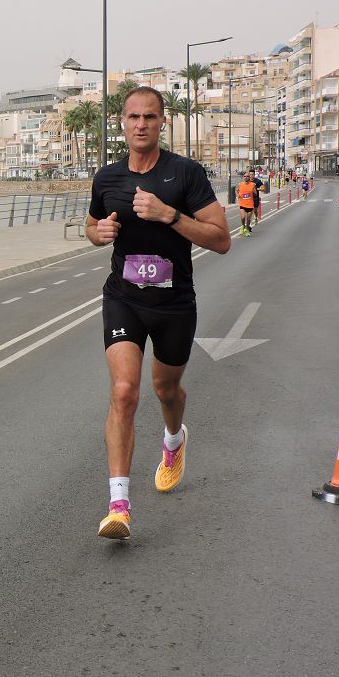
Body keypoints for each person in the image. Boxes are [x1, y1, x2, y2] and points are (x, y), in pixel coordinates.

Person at [86, 86, 231, 540]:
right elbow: (90, 226)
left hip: (174, 305)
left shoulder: (185, 173)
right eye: (133, 117)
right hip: (123, 298)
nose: (141, 124)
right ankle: (119, 506)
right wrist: (100, 232)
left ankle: (173, 440)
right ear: (122, 123)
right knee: (125, 391)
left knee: (166, 390)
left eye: (150, 116)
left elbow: (221, 238)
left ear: (162, 122)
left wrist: (170, 215)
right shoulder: (107, 178)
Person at [236, 171, 257, 235]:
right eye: (245, 176)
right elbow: (236, 190)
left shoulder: (253, 185)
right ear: (243, 177)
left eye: (247, 176)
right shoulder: (240, 184)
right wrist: (237, 195)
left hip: (250, 204)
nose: (246, 177)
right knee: (242, 217)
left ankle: (247, 230)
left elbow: (255, 193)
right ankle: (243, 226)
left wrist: (254, 191)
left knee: (248, 219)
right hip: (242, 203)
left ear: (249, 177)